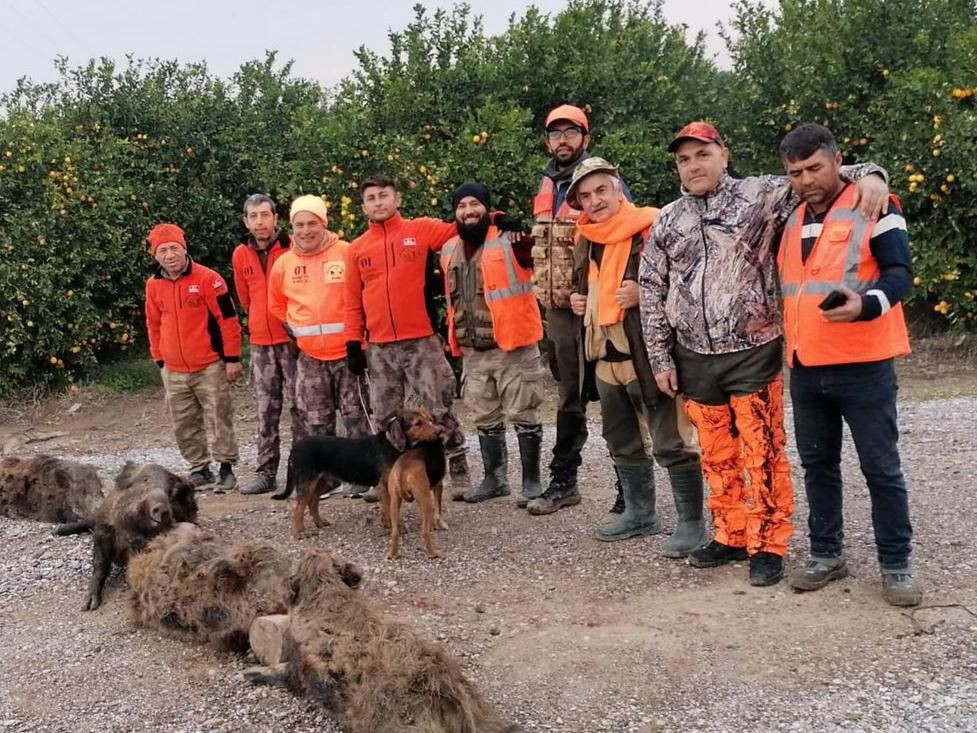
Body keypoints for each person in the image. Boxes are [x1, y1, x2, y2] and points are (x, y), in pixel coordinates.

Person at [640, 121, 891, 586]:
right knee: (716, 454)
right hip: (692, 355)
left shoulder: (763, 195)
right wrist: (659, 358)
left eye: (702, 154)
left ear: (724, 154)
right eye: (684, 158)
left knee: (764, 451)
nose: (693, 165)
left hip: (752, 350)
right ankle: (732, 535)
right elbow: (651, 290)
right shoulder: (667, 219)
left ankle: (768, 544)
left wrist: (874, 174)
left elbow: (828, 175)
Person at [776, 123, 920, 606]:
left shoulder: (876, 204)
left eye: (815, 168)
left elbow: (901, 274)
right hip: (806, 365)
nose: (806, 180)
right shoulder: (791, 216)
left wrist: (868, 304)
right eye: (796, 172)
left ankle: (896, 564)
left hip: (864, 365)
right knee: (818, 466)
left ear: (838, 161)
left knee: (880, 468)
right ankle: (825, 554)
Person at [564, 159, 702, 546]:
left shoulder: (652, 226)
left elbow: (691, 280)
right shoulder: (586, 238)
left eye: (601, 190)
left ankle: (692, 524)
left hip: (648, 358)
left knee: (671, 440)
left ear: (618, 189)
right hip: (605, 357)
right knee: (620, 440)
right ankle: (641, 514)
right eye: (585, 196)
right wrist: (581, 300)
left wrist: (646, 293)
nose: (595, 201)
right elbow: (590, 286)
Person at [526, 104, 632, 516]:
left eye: (571, 132)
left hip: (597, 307)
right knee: (570, 398)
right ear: (548, 141)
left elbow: (621, 240)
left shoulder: (598, 181)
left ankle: (629, 489)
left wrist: (596, 291)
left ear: (585, 138)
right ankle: (564, 482)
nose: (563, 140)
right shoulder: (545, 183)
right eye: (556, 134)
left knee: (612, 395)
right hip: (558, 312)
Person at [343, 174, 471, 500]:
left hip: (421, 340)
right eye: (371, 198)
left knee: (438, 408)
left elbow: (463, 225)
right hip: (380, 347)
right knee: (385, 417)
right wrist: (353, 343)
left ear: (397, 199)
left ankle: (457, 469)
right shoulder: (356, 249)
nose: (378, 202)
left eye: (384, 195)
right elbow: (351, 300)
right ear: (364, 207)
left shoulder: (420, 230)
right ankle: (389, 477)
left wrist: (494, 218)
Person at [440, 182, 545, 504]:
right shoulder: (448, 249)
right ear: (455, 213)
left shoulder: (511, 239)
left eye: (475, 204)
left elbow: (535, 258)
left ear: (487, 207)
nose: (469, 211)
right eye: (462, 206)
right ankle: (494, 480)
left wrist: (515, 226)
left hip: (513, 345)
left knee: (524, 413)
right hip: (473, 349)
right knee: (484, 415)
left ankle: (532, 483)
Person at [267, 195, 370, 490]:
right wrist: (296, 326)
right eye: (299, 224)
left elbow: (364, 294)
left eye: (312, 223)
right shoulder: (284, 264)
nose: (306, 230)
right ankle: (326, 481)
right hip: (310, 357)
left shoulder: (346, 252)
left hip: (348, 353)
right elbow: (275, 304)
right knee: (317, 421)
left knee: (356, 418)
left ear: (324, 223)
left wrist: (359, 341)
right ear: (292, 227)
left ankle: (361, 478)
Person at [144, 222, 242, 492]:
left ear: (184, 248)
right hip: (173, 369)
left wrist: (232, 358)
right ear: (155, 255)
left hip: (209, 365)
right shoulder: (153, 285)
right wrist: (159, 359)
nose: (169, 255)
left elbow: (228, 320)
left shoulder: (209, 279)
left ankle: (226, 468)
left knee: (219, 417)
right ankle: (199, 468)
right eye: (162, 250)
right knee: (183, 422)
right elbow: (152, 323)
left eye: (174, 248)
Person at [231, 194, 305, 495]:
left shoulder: (294, 246)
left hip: (294, 341)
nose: (259, 222)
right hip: (261, 343)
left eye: (265, 215)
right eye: (253, 216)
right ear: (246, 221)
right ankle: (265, 472)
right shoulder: (240, 254)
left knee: (301, 408)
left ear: (276, 218)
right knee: (266, 411)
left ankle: (304, 472)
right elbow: (244, 297)